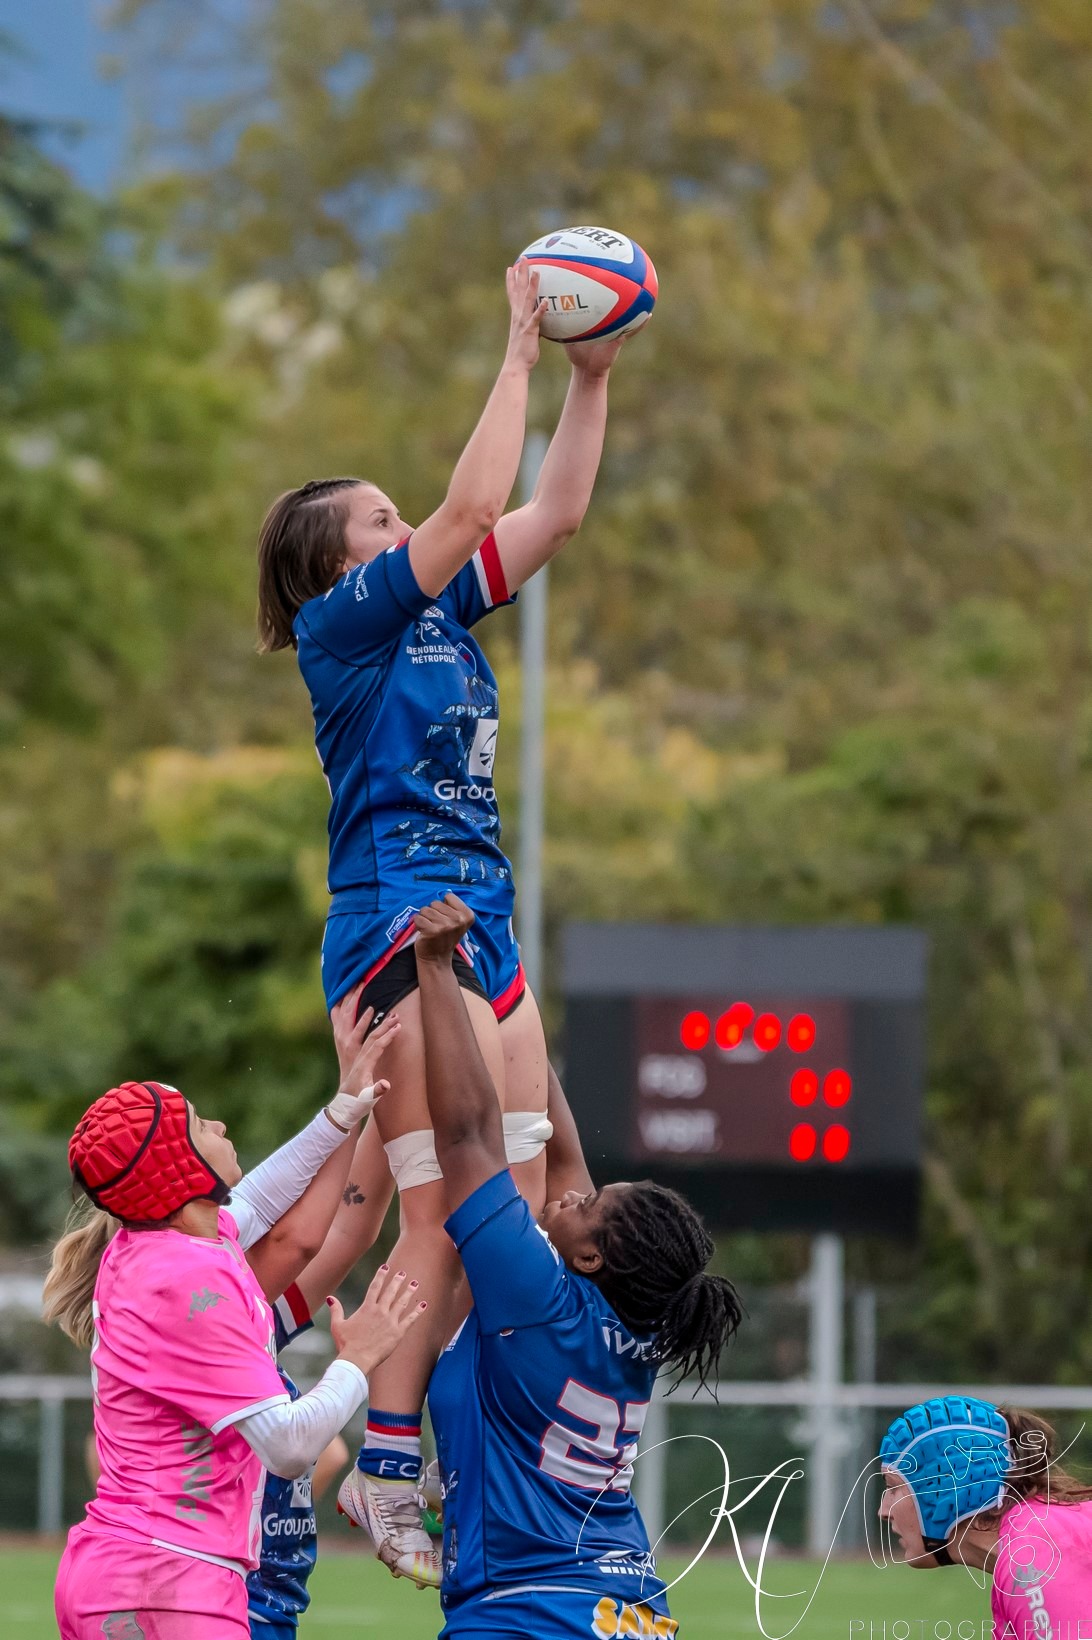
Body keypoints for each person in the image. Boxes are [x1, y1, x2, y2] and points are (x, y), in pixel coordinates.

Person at [255, 259, 630, 1584]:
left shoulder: (438, 609)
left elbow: (555, 511)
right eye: (378, 520)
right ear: (331, 565)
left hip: (488, 924)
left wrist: (590, 376)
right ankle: (389, 1466)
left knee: (516, 1211)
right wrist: (520, 345)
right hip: (398, 928)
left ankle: (454, 1452)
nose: (405, 525)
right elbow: (479, 498)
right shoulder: (340, 631)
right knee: (445, 1208)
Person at [388, 893, 743, 1638]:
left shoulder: (538, 1299)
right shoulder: (630, 1322)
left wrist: (436, 967)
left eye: (590, 1205)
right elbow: (563, 1155)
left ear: (590, 1256)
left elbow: (467, 1137)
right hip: (631, 1614)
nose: (574, 1194)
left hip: (529, 1613)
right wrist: (512, 1008)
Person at [45, 1017, 424, 1640]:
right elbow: (289, 1445)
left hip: (137, 1574)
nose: (217, 1126)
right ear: (176, 1167)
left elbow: (266, 1199)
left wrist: (341, 1111)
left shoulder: (158, 1245)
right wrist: (359, 1359)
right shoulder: (192, 1284)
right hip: (163, 1585)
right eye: (198, 1123)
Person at [879, 1395, 1092, 1633]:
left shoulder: (1031, 1552)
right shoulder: (1034, 1539)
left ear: (939, 1491)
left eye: (892, 1488)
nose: (884, 1511)